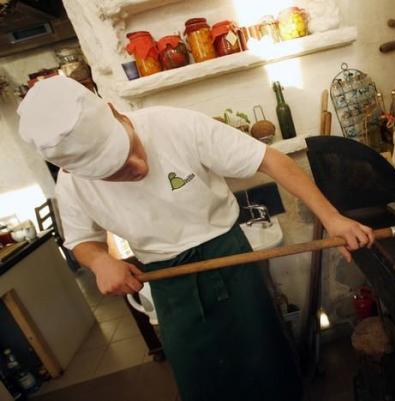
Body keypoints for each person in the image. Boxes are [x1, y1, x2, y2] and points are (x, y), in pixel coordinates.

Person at [17, 76, 374, 401]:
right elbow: (81, 239)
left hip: (229, 255)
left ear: (114, 112)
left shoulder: (173, 125)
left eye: (127, 151)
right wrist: (99, 261)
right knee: (201, 380)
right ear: (72, 169)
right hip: (167, 279)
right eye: (116, 172)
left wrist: (331, 218)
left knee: (268, 365)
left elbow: (269, 160)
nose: (137, 167)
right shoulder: (72, 184)